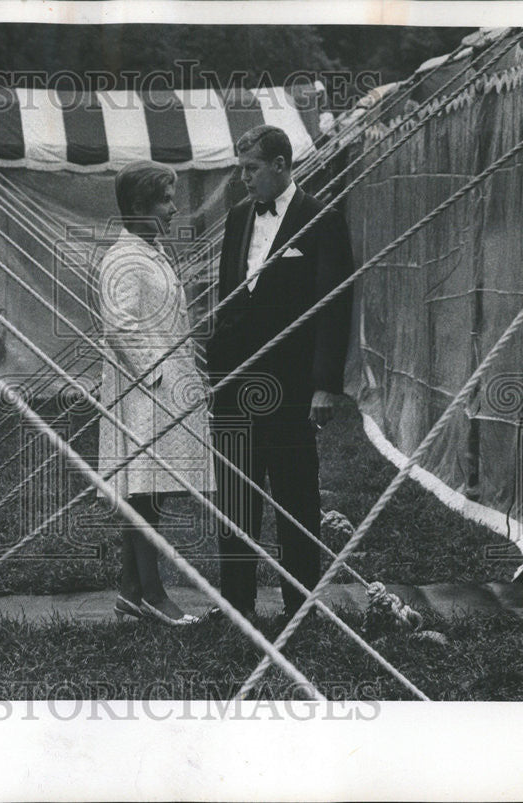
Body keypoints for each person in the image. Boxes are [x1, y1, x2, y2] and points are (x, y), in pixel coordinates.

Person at [206, 125, 354, 621]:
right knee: (235, 496)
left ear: (282, 165)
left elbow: (336, 305)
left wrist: (324, 385)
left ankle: (300, 606)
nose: (243, 179)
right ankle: (237, 605)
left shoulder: (321, 219)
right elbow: (229, 296)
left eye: (251, 169)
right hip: (235, 383)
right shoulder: (236, 218)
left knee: (295, 497)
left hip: (291, 384)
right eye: (240, 168)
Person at [95, 161, 215, 626]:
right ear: (139, 207)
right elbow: (119, 326)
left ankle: (131, 590)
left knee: (148, 491)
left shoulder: (152, 251)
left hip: (160, 388)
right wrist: (159, 374)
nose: (173, 209)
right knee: (143, 492)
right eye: (165, 201)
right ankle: (153, 594)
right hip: (141, 391)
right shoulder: (123, 259)